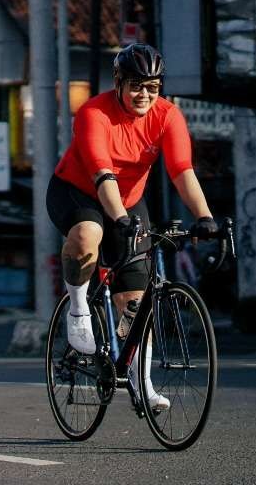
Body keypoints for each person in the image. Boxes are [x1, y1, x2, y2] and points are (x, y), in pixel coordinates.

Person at [48, 43, 218, 414]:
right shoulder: (94, 112)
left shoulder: (168, 116)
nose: (144, 94)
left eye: (152, 87)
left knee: (136, 302)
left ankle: (142, 382)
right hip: (78, 192)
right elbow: (100, 170)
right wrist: (119, 218)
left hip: (128, 199)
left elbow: (182, 171)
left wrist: (205, 217)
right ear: (119, 82)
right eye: (136, 85)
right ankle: (78, 309)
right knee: (88, 234)